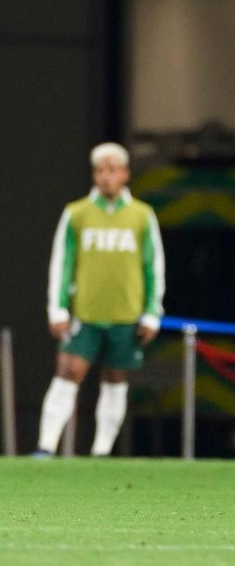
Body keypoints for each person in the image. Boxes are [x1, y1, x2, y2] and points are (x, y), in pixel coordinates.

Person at [36, 142, 165, 457]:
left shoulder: (142, 216)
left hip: (126, 315)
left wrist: (152, 313)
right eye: (99, 171)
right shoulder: (77, 214)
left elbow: (154, 266)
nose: (105, 177)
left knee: (115, 379)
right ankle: (46, 446)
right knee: (67, 372)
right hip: (85, 314)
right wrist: (57, 309)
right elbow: (61, 263)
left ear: (125, 174)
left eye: (111, 170)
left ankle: (102, 450)